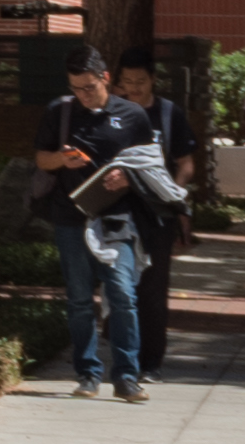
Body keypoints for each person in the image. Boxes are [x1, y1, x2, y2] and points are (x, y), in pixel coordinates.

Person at [31, 58, 145, 398]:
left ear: (105, 78)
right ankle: (88, 374)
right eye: (75, 88)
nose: (82, 95)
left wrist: (128, 176)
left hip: (116, 218)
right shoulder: (60, 112)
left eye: (89, 87)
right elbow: (41, 158)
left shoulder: (132, 115)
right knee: (80, 299)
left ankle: (126, 376)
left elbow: (150, 164)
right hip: (71, 218)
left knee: (122, 294)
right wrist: (62, 160)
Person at [103, 49, 197, 374]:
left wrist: (174, 190)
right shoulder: (109, 113)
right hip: (116, 212)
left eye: (140, 81)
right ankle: (123, 356)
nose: (134, 88)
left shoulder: (169, 114)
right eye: (126, 81)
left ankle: (151, 361)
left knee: (154, 290)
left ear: (153, 79)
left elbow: (186, 164)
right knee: (119, 285)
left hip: (157, 215)